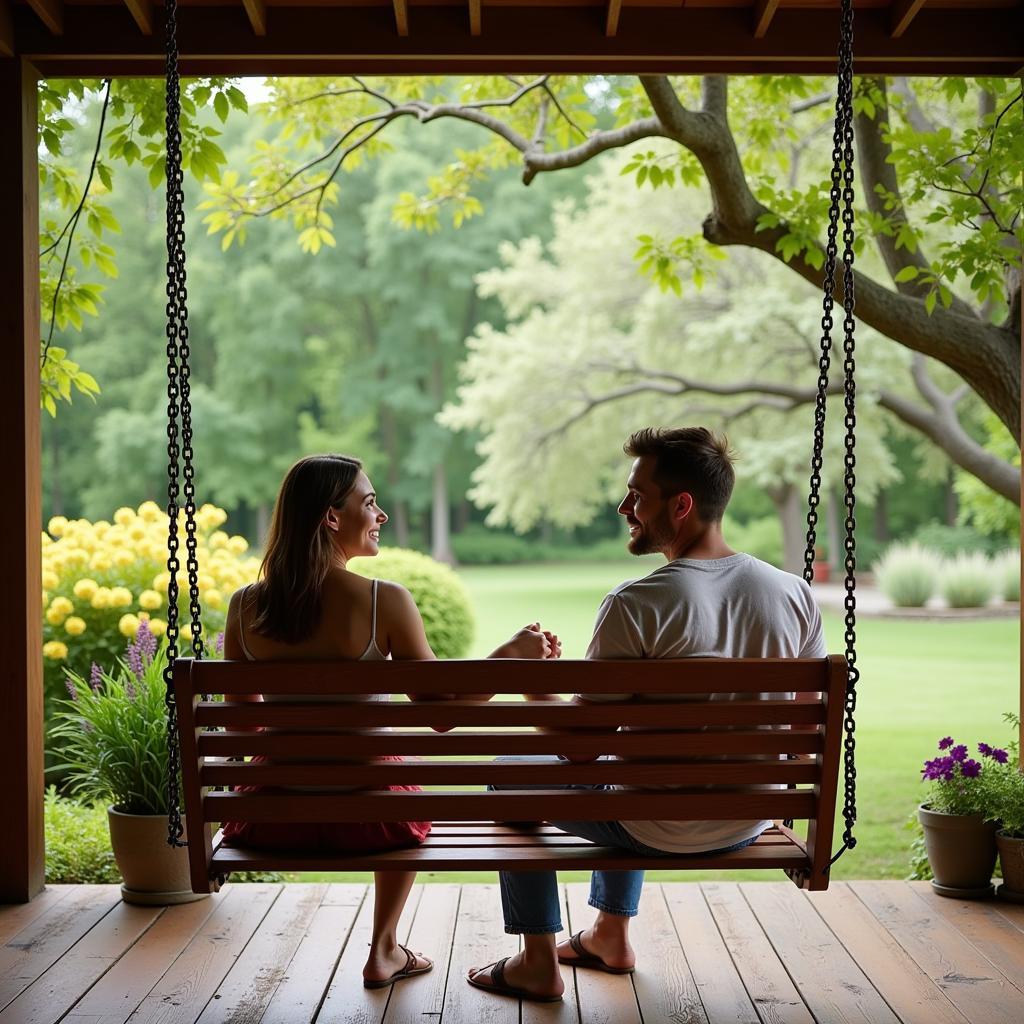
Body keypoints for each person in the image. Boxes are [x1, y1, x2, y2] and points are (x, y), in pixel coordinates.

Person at [468, 427, 825, 1002]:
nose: (624, 506)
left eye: (638, 495)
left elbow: (578, 750)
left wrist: (529, 679)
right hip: (749, 820)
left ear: (681, 506)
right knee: (626, 762)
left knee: (509, 776)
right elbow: (800, 732)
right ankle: (609, 934)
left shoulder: (637, 604)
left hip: (654, 825)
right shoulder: (794, 594)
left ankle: (536, 962)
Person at [220, 454, 559, 989]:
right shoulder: (383, 600)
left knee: (385, 773)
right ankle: (383, 948)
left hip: (271, 817)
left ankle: (386, 945)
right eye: (369, 503)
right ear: (332, 517)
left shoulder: (245, 608)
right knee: (394, 778)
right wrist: (510, 655)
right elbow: (442, 715)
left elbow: (241, 732)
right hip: (375, 822)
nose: (380, 516)